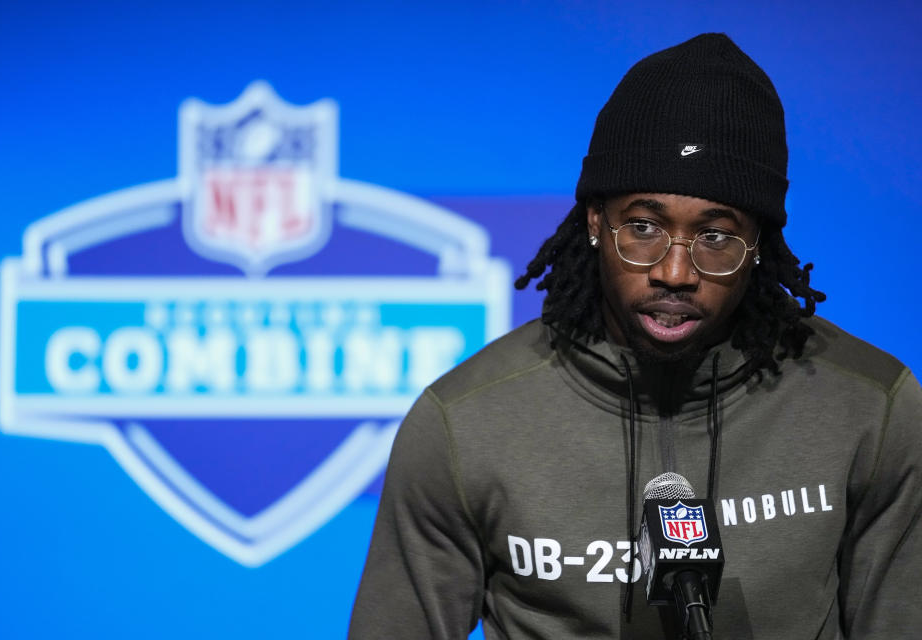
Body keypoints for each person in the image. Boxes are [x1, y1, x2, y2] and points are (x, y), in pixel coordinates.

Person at [348, 33, 922, 639]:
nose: (675, 273)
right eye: (643, 226)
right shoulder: (465, 425)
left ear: (760, 246)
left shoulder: (869, 408)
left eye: (717, 236)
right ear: (596, 221)